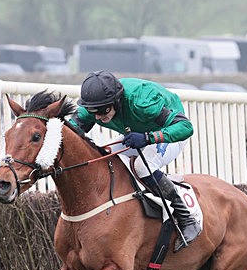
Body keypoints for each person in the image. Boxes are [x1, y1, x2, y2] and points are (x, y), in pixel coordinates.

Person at [70, 70, 201, 252]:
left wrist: (148, 137)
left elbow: (185, 127)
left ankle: (186, 217)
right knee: (103, 157)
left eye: (103, 111)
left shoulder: (143, 103)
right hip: (135, 133)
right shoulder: (94, 106)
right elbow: (70, 132)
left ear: (116, 101)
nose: (98, 117)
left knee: (142, 167)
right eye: (94, 112)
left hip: (169, 132)